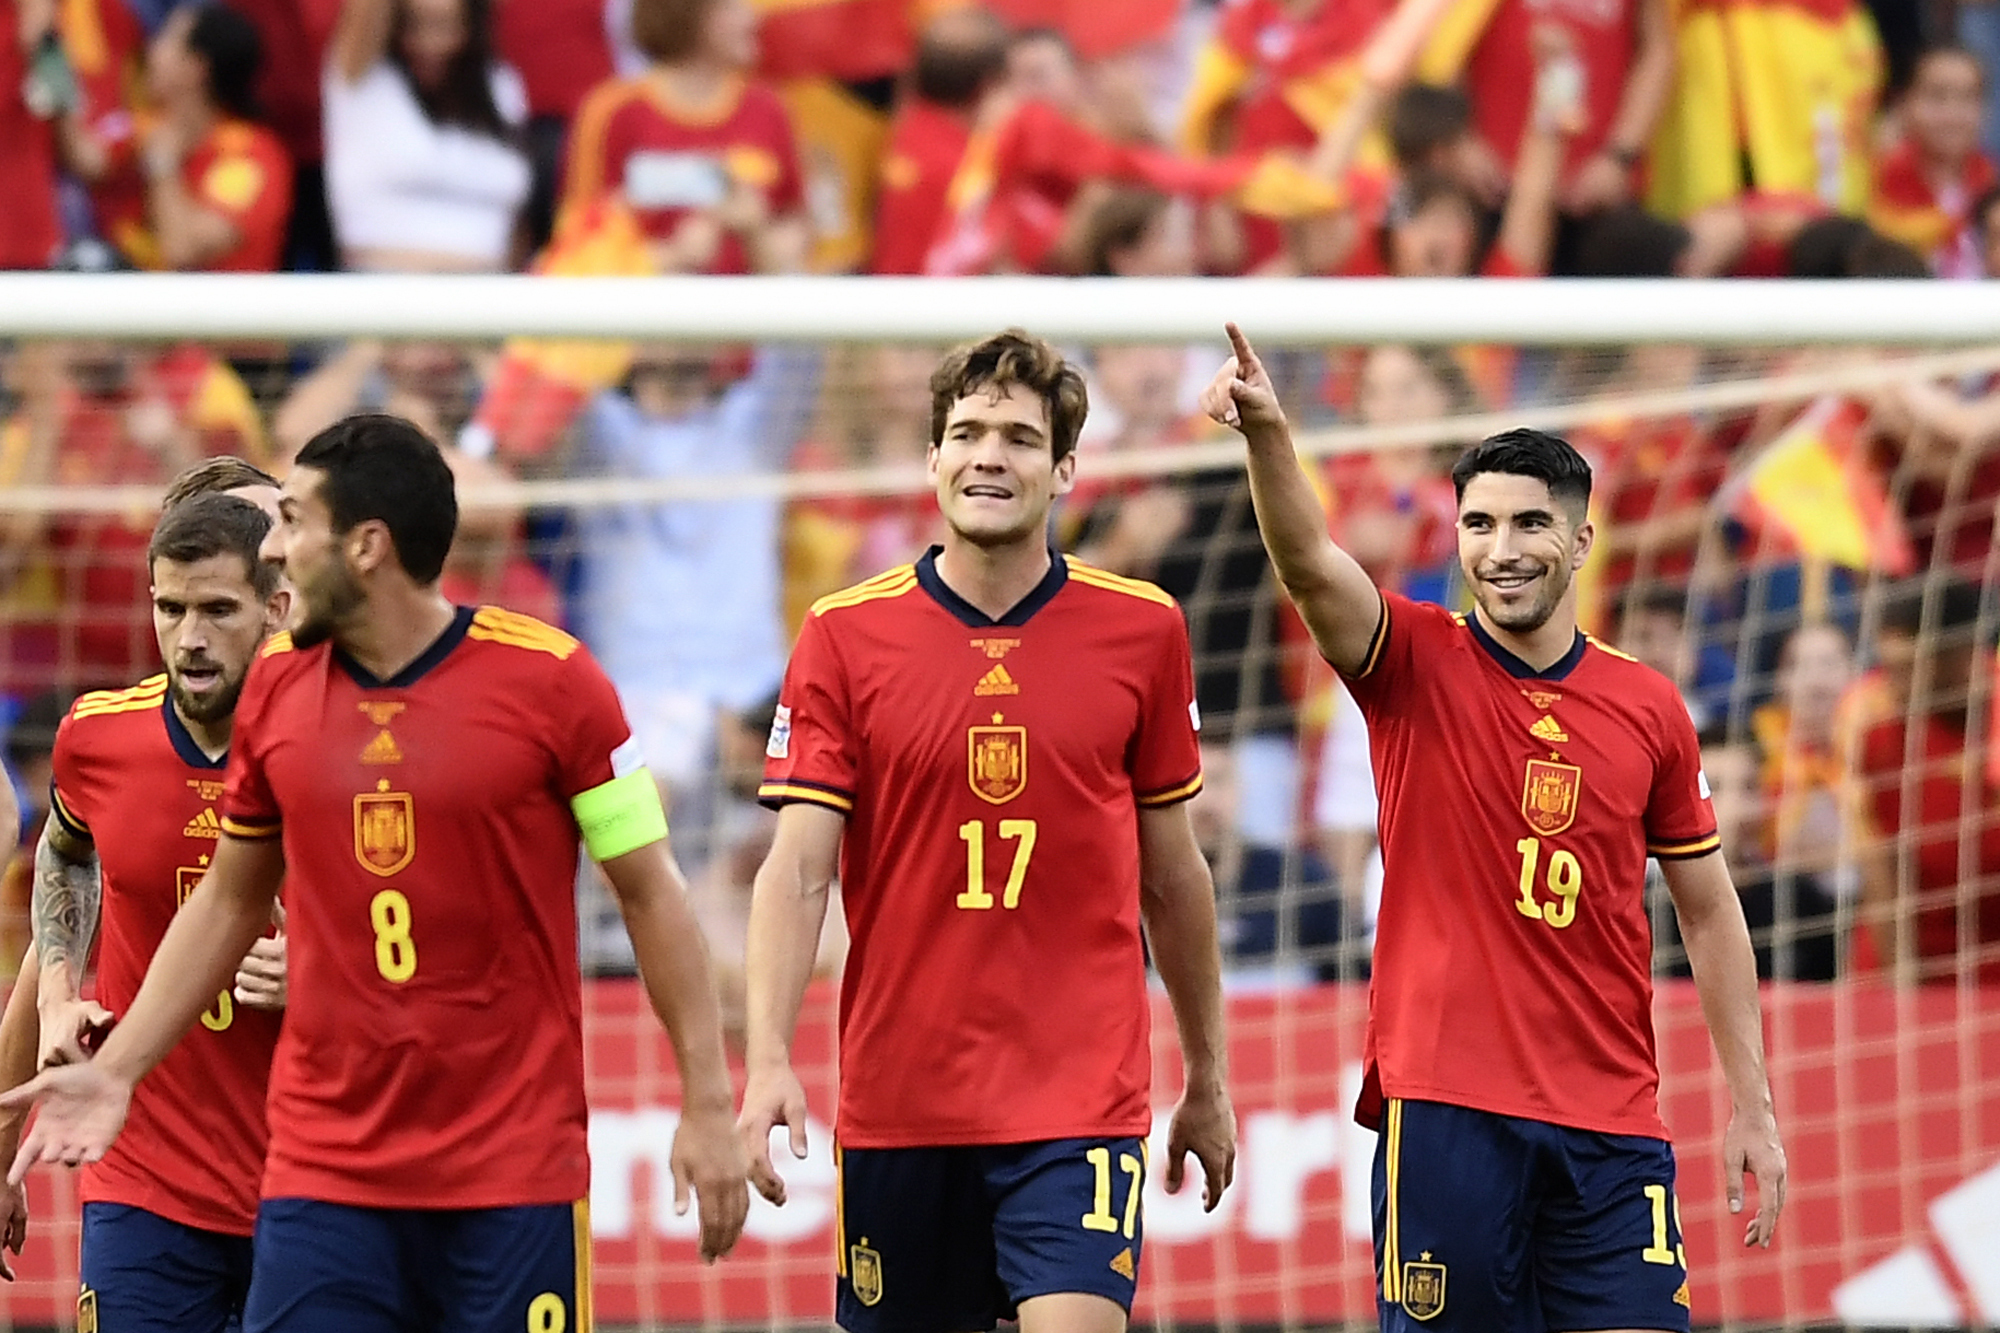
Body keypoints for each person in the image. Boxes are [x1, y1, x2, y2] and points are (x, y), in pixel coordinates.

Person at [3, 414, 750, 1330]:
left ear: (365, 546)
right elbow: (229, 896)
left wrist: (708, 1101)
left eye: (295, 523)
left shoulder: (555, 682)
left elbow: (652, 891)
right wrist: (118, 1069)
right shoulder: (281, 694)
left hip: (506, 1164)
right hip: (326, 1171)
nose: (276, 548)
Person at [1208, 323, 1785, 1330]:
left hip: (1610, 1123)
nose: (1501, 549)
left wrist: (1752, 1101)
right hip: (1447, 1110)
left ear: (1577, 541)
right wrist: (1267, 437)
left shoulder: (1646, 706)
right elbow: (1306, 559)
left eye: (1527, 524)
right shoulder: (1410, 662)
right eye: (1478, 524)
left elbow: (1706, 905)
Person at [740, 330, 1235, 1332]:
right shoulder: (843, 634)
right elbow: (796, 872)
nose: (987, 455)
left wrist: (1207, 1077)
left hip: (1077, 1100)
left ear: (1061, 469)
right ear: (931, 461)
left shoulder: (1141, 630)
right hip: (901, 1099)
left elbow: (1174, 880)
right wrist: (764, 1060)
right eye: (965, 432)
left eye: (1017, 436)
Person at [20, 493, 290, 1333]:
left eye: (218, 609)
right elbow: (65, 851)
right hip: (146, 1183)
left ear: (276, 609)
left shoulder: (342, 745)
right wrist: (60, 987)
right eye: (170, 609)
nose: (190, 637)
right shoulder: (97, 736)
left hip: (313, 1189)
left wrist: (324, 971)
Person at [324, 0, 531, 272]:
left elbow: (517, 211)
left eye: (444, 25)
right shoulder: (365, 78)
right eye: (413, 24)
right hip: (385, 286)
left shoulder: (499, 85)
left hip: (488, 293)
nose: (428, 42)